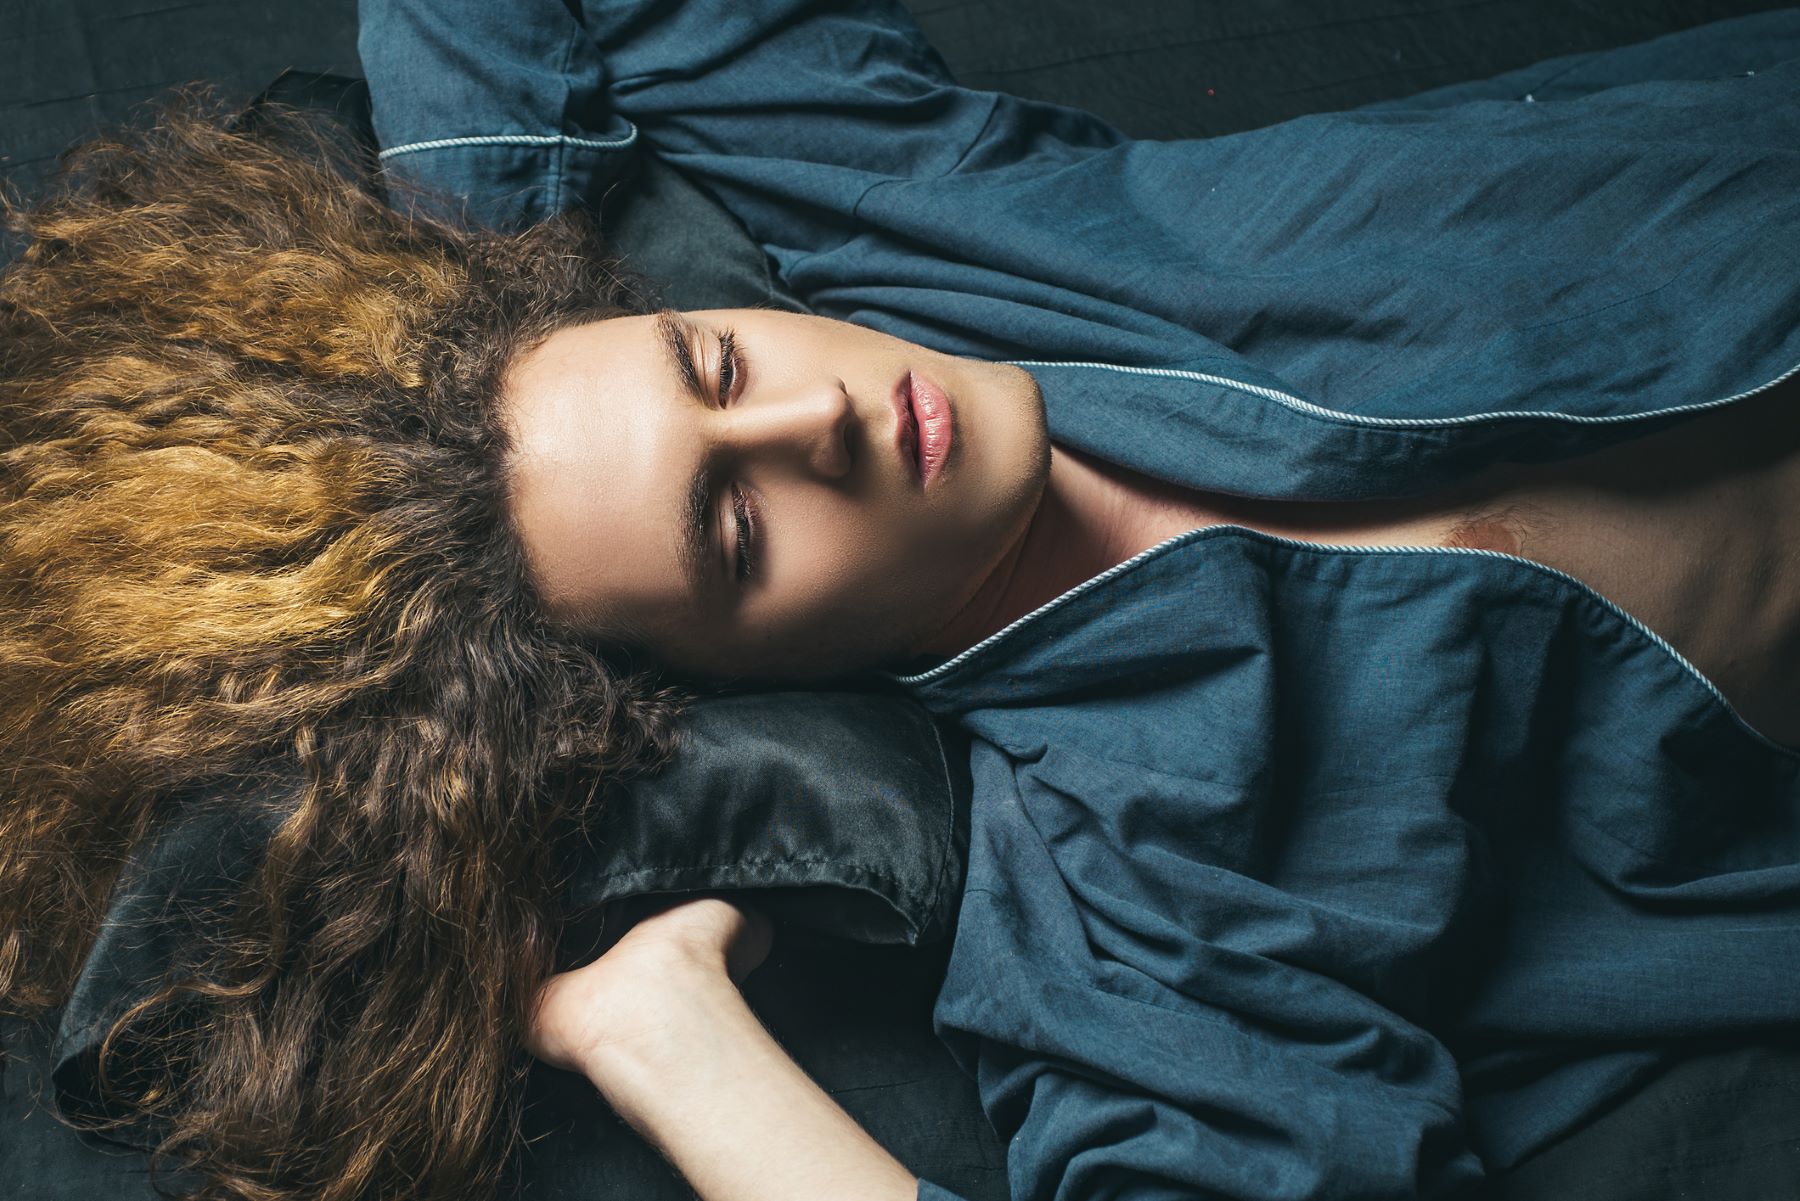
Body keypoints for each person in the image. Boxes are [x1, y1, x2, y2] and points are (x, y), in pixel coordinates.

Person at [0, 4, 1792, 1201]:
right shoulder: (1132, 879)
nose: (820, 418)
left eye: (713, 362)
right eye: (734, 529)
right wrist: (663, 1038)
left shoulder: (892, 207)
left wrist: (488, 287)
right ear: (703, 682)